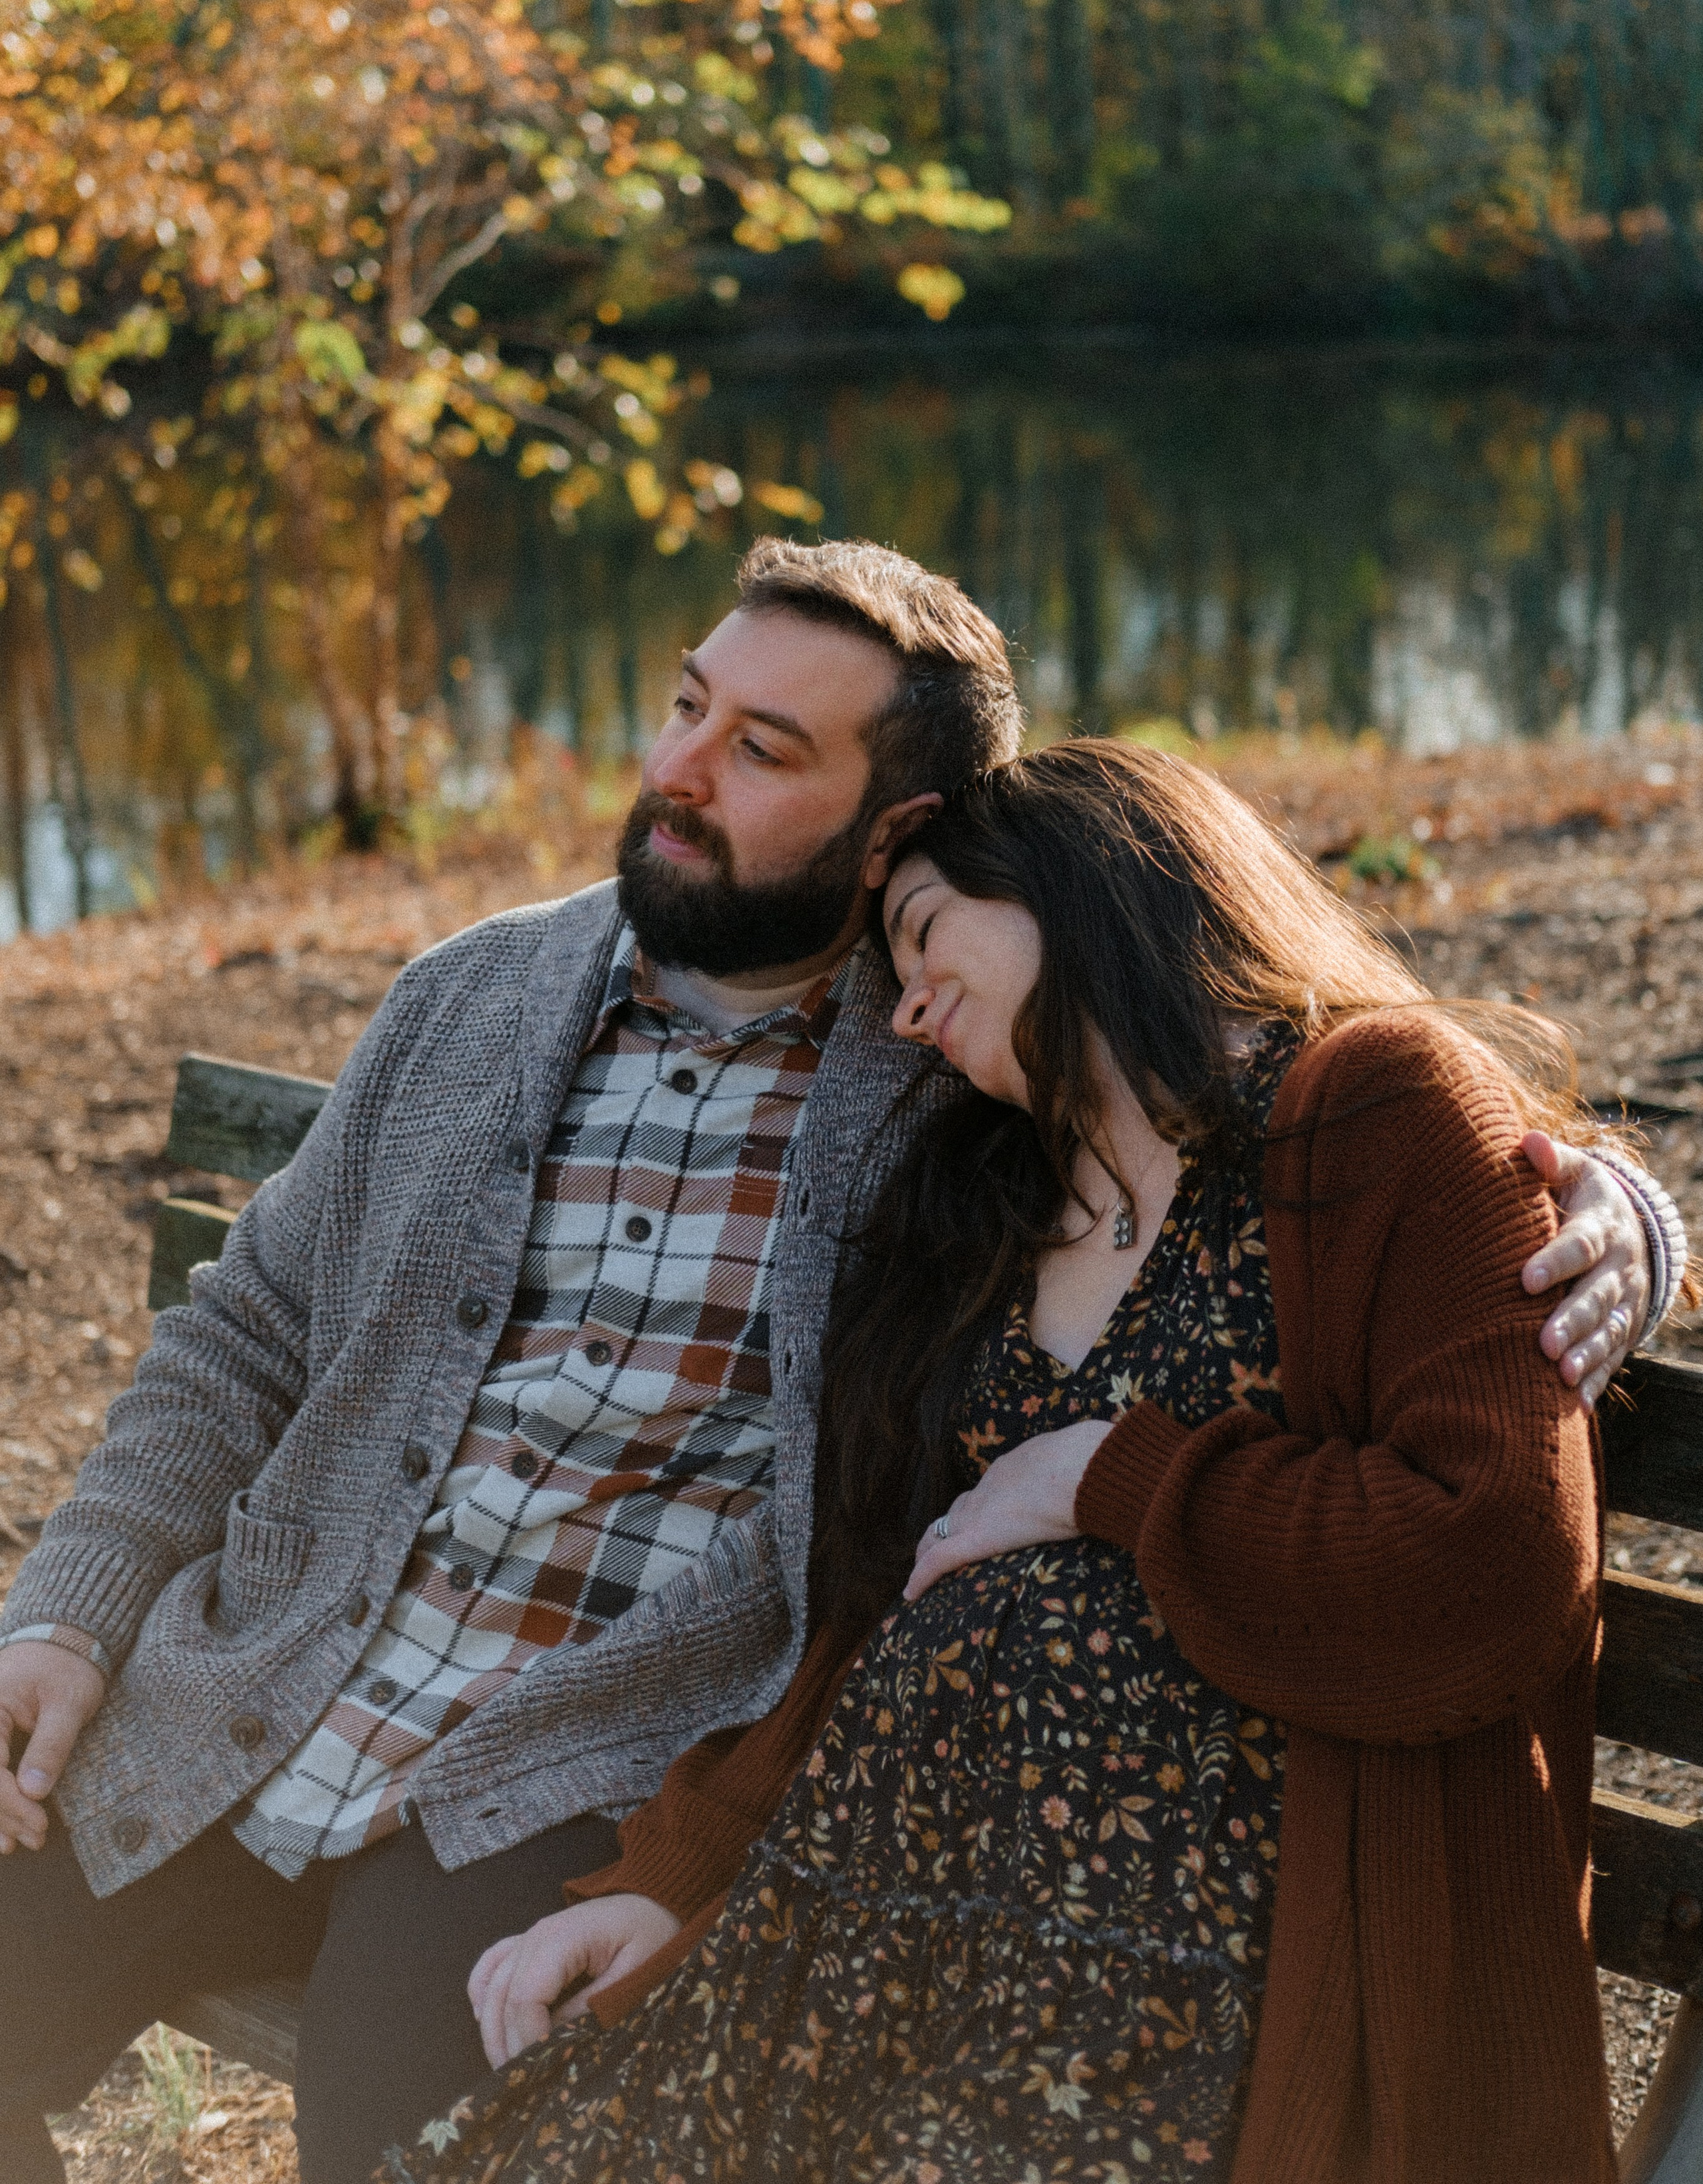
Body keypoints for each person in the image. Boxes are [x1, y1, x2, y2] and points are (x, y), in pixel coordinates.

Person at [0, 546, 1674, 2184]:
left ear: (900, 836)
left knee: (442, 2132)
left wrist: (1614, 1210)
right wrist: (74, 1606)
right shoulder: (472, 998)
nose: (676, 771)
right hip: (264, 1687)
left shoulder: (962, 1080)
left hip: (571, 1763)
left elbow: (1275, 1071)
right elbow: (243, 1331)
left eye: (760, 750)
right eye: (685, 706)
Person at [386, 738, 1650, 2184]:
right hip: (878, 1929)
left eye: (926, 935)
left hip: (1168, 1978)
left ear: (1083, 880)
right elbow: (876, 1611)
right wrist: (680, 1877)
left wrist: (1107, 1477)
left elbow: (1492, 1562)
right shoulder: (990, 1204)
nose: (911, 1007)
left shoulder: (1372, 1107)